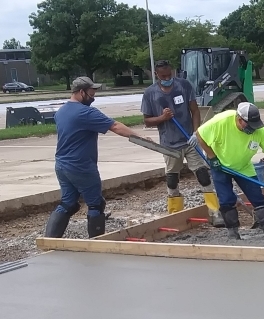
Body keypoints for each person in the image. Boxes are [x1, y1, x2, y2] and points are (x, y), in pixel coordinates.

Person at [44, 76, 148, 238]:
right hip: (81, 166)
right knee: (96, 205)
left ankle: (49, 240)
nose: (93, 98)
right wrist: (139, 136)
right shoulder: (85, 112)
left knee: (68, 204)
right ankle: (96, 242)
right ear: (80, 92)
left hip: (62, 165)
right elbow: (115, 126)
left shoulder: (61, 112)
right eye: (91, 94)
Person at [141, 59, 224, 227]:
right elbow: (147, 121)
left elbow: (194, 111)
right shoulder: (150, 93)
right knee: (172, 178)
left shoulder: (184, 86)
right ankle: (175, 214)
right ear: (156, 75)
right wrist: (162, 118)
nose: (167, 78)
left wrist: (196, 133)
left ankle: (215, 212)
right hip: (169, 144)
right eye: (163, 76)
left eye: (169, 74)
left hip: (189, 141)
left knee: (202, 174)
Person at [195, 102, 264, 240]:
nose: (253, 129)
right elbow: (199, 135)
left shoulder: (260, 131)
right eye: (250, 126)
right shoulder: (221, 121)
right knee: (226, 201)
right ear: (239, 119)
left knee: (258, 199)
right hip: (221, 166)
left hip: (244, 167)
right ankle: (233, 234)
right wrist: (212, 157)